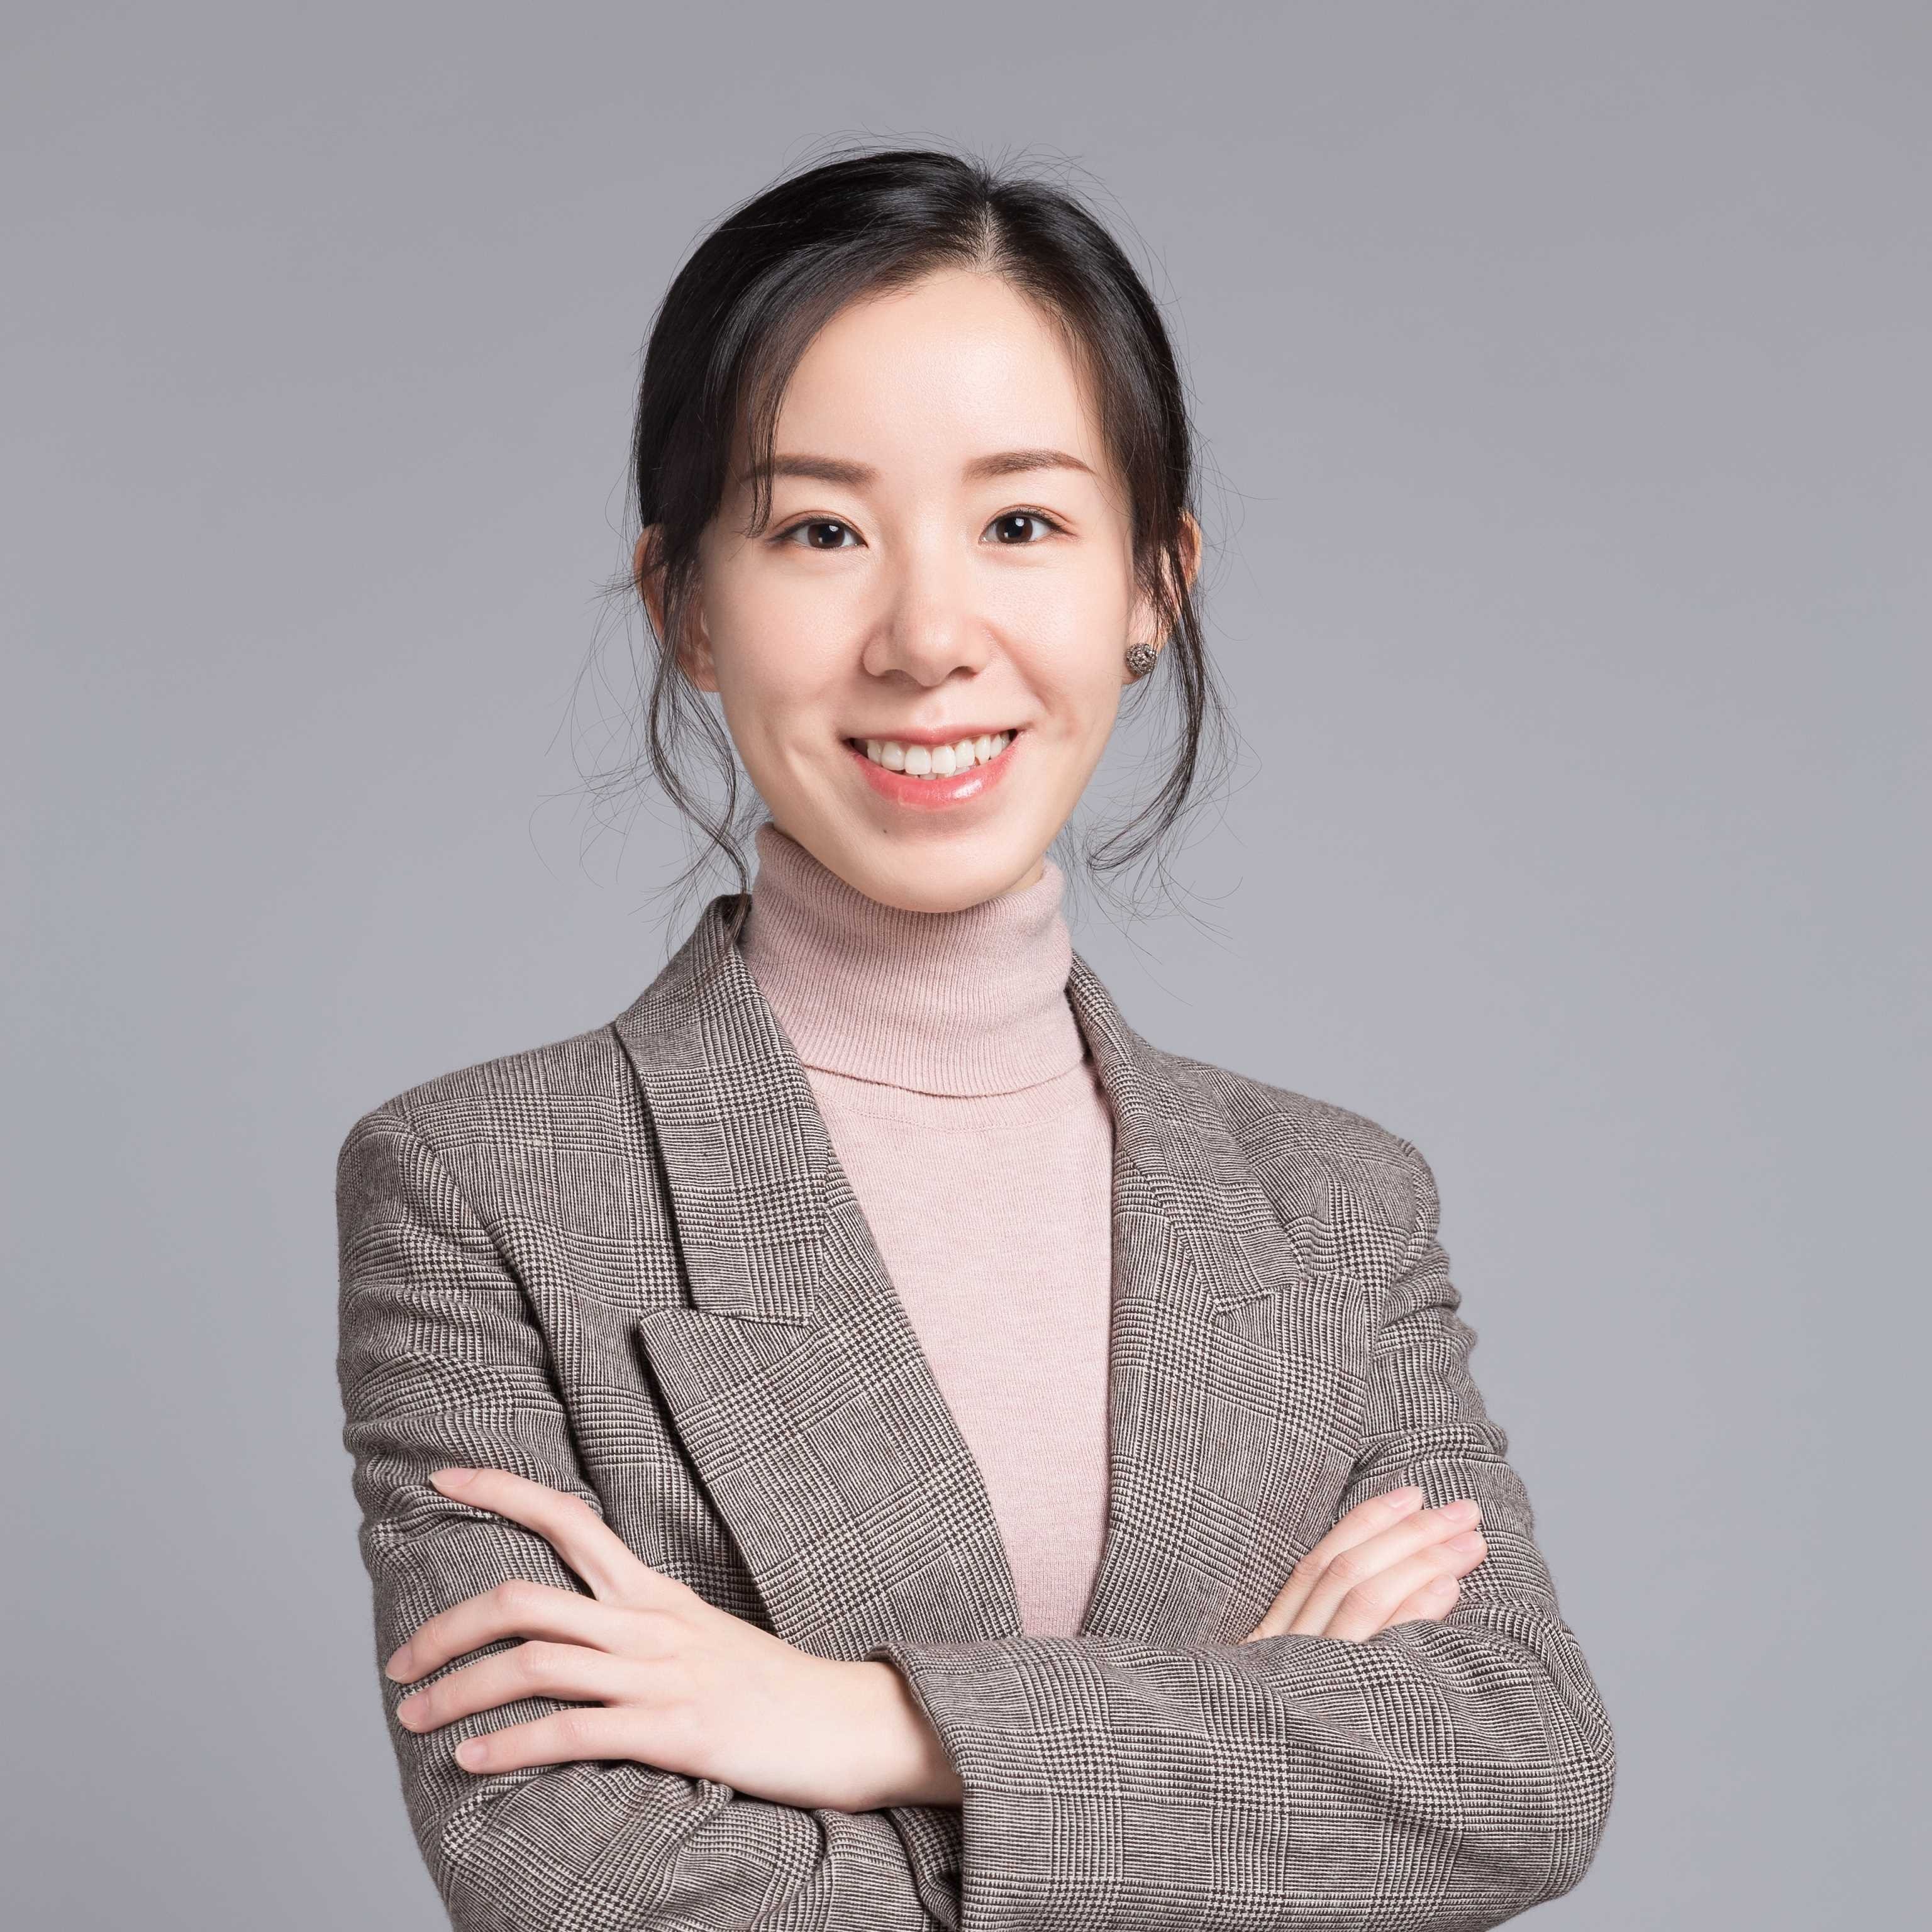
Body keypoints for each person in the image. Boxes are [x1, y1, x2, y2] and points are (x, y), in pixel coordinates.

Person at [335, 145, 1616, 1932]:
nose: (930, 639)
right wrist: (1258, 1753)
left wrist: (875, 1726)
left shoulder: (1335, 1205)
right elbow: (600, 1894)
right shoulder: (486, 1188)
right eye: (818, 531)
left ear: (1154, 583)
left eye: (1021, 525)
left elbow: (1522, 1775)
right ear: (685, 606)